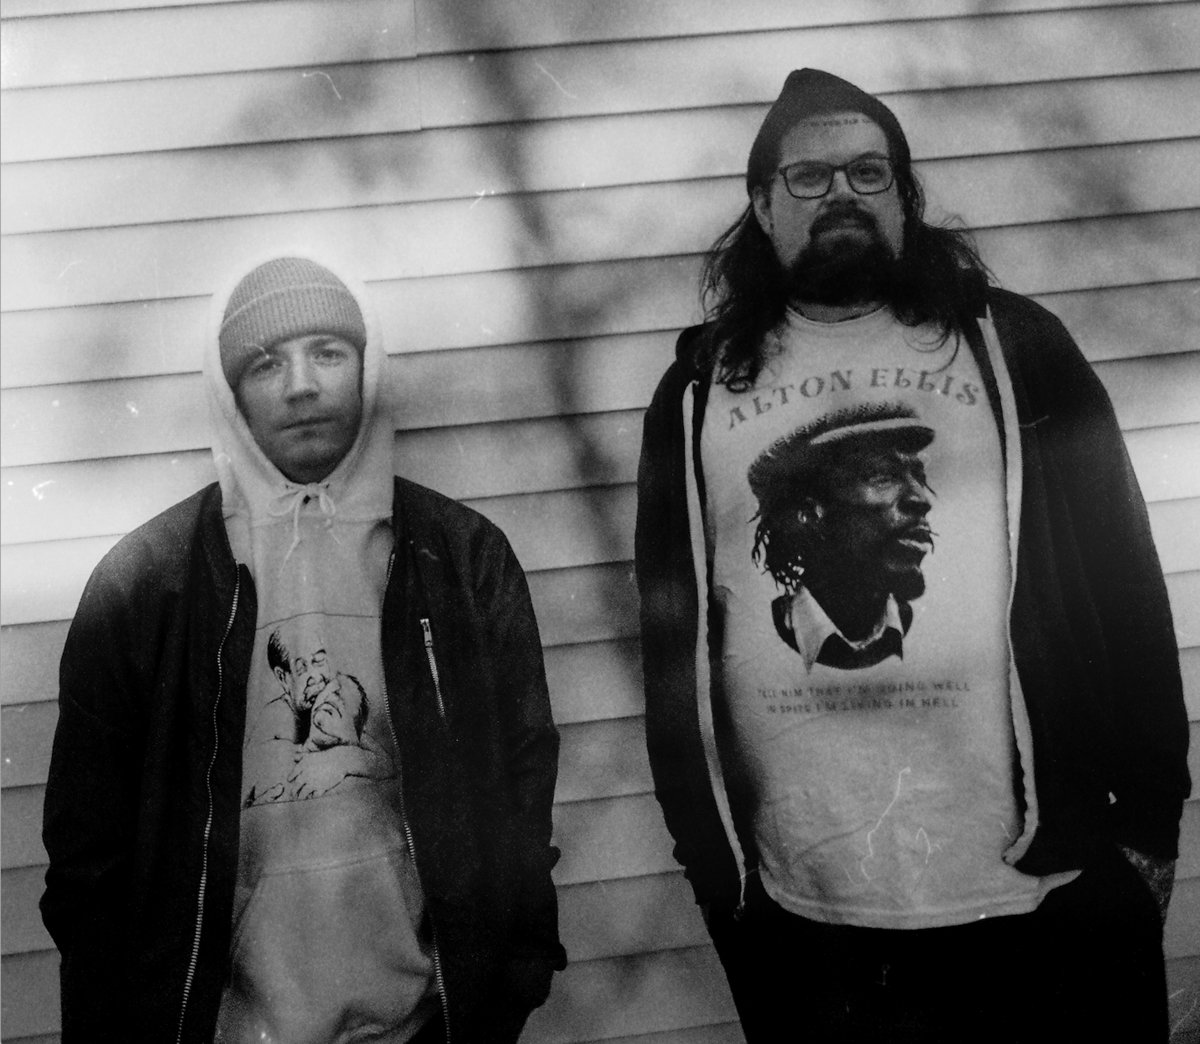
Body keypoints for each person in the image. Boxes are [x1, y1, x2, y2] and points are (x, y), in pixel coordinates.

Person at [635, 68, 1189, 1043]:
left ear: (904, 196)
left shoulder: (1015, 347)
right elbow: (673, 646)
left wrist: (1148, 826)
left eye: (869, 172)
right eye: (809, 177)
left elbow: (1124, 581)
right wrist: (717, 875)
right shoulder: (699, 393)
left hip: (1041, 894)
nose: (842, 195)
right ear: (762, 205)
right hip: (813, 917)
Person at [41, 253, 565, 1043]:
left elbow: (523, 780)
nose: (301, 386)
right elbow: (87, 851)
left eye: (328, 352)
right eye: (266, 363)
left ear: (369, 366)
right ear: (230, 393)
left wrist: (510, 975)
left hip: (423, 1023)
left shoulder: (460, 558)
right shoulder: (145, 583)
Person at [746, 402, 935, 669]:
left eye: (919, 477)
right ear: (808, 513)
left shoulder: (941, 639)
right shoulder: (754, 643)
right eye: (882, 476)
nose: (922, 500)